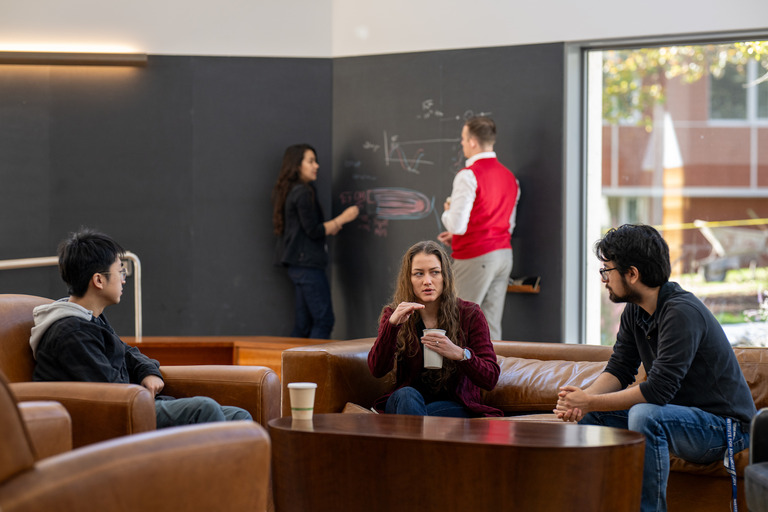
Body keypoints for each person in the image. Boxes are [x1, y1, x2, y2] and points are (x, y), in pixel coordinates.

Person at [554, 224, 756, 512]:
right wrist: (584, 402)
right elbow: (619, 369)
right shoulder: (635, 312)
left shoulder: (681, 312)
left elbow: (658, 391)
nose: (604, 279)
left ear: (632, 274)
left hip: (725, 428)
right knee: (598, 416)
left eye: (606, 270)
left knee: (646, 415)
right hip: (681, 419)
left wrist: (589, 400)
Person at [31, 228, 252, 428]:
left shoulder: (89, 318)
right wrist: (144, 393)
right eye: (120, 272)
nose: (124, 280)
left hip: (131, 402)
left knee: (239, 416)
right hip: (114, 416)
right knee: (205, 410)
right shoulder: (71, 332)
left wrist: (148, 371)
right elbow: (109, 394)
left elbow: (126, 352)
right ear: (98, 280)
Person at [368, 240, 502, 417]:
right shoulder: (395, 314)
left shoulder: (469, 314)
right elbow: (377, 370)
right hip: (406, 401)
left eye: (434, 272)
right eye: (418, 274)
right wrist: (392, 327)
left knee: (425, 415)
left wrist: (460, 354)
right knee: (408, 395)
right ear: (408, 279)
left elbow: (490, 378)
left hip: (452, 405)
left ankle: (413, 440)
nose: (427, 281)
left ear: (445, 276)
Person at [438, 116, 520, 341]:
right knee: (491, 327)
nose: (462, 144)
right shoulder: (510, 178)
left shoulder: (468, 175)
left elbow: (457, 224)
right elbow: (507, 225)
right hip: (503, 256)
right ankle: (494, 374)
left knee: (457, 323)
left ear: (473, 142)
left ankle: (455, 377)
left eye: (463, 139)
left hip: (476, 257)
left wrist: (447, 209)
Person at [272, 143, 359, 339]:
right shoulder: (302, 192)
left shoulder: (294, 191)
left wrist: (333, 225)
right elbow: (313, 230)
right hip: (307, 265)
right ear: (297, 165)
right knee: (324, 320)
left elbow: (308, 230)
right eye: (310, 161)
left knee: (303, 325)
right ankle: (313, 369)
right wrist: (342, 218)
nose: (316, 166)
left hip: (298, 266)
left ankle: (292, 368)